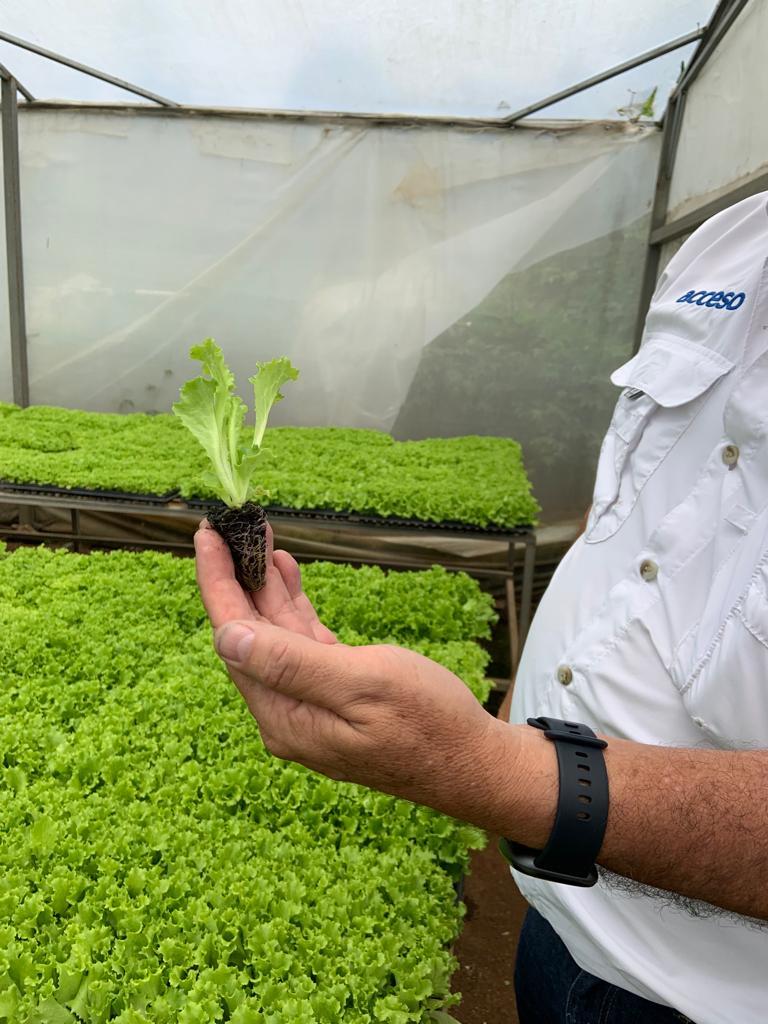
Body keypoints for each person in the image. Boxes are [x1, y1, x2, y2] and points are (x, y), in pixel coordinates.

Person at [194, 191, 768, 1024]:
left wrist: (488, 765)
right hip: (561, 919)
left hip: (701, 997)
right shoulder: (729, 244)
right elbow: (631, 525)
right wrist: (531, 695)